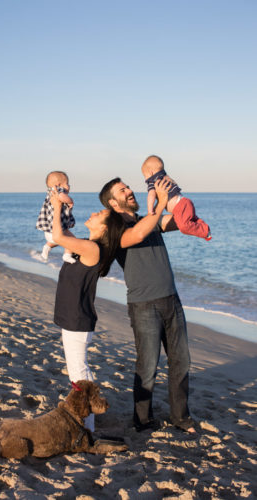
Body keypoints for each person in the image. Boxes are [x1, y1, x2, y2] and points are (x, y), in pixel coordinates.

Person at [99, 177, 196, 434]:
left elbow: (179, 221)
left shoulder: (148, 219)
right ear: (112, 202)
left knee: (181, 362)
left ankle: (181, 417)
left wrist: (176, 198)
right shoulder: (114, 227)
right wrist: (160, 203)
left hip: (171, 300)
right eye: (123, 190)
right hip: (143, 305)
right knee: (148, 365)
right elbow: (138, 234)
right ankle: (142, 420)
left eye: (128, 187)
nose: (130, 191)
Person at [50, 189, 126, 432]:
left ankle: (89, 426)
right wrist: (60, 202)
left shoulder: (93, 250)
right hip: (72, 319)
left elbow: (58, 235)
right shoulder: (87, 245)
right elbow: (62, 232)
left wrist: (56, 205)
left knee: (79, 376)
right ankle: (86, 420)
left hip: (77, 321)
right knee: (78, 373)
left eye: (100, 213)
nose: (93, 213)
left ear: (104, 228)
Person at [142, 155, 211, 240]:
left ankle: (205, 231)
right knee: (190, 221)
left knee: (183, 227)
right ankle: (202, 226)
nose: (145, 179)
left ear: (150, 172)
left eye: (144, 176)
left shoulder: (153, 181)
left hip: (180, 206)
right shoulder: (165, 177)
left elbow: (151, 195)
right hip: (184, 202)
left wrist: (150, 210)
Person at [36, 171, 76, 263]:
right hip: (57, 230)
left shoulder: (50, 192)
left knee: (57, 241)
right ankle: (67, 255)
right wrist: (70, 201)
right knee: (72, 240)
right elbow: (61, 197)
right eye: (67, 183)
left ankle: (47, 247)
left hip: (50, 231)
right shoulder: (59, 191)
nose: (69, 186)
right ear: (59, 185)